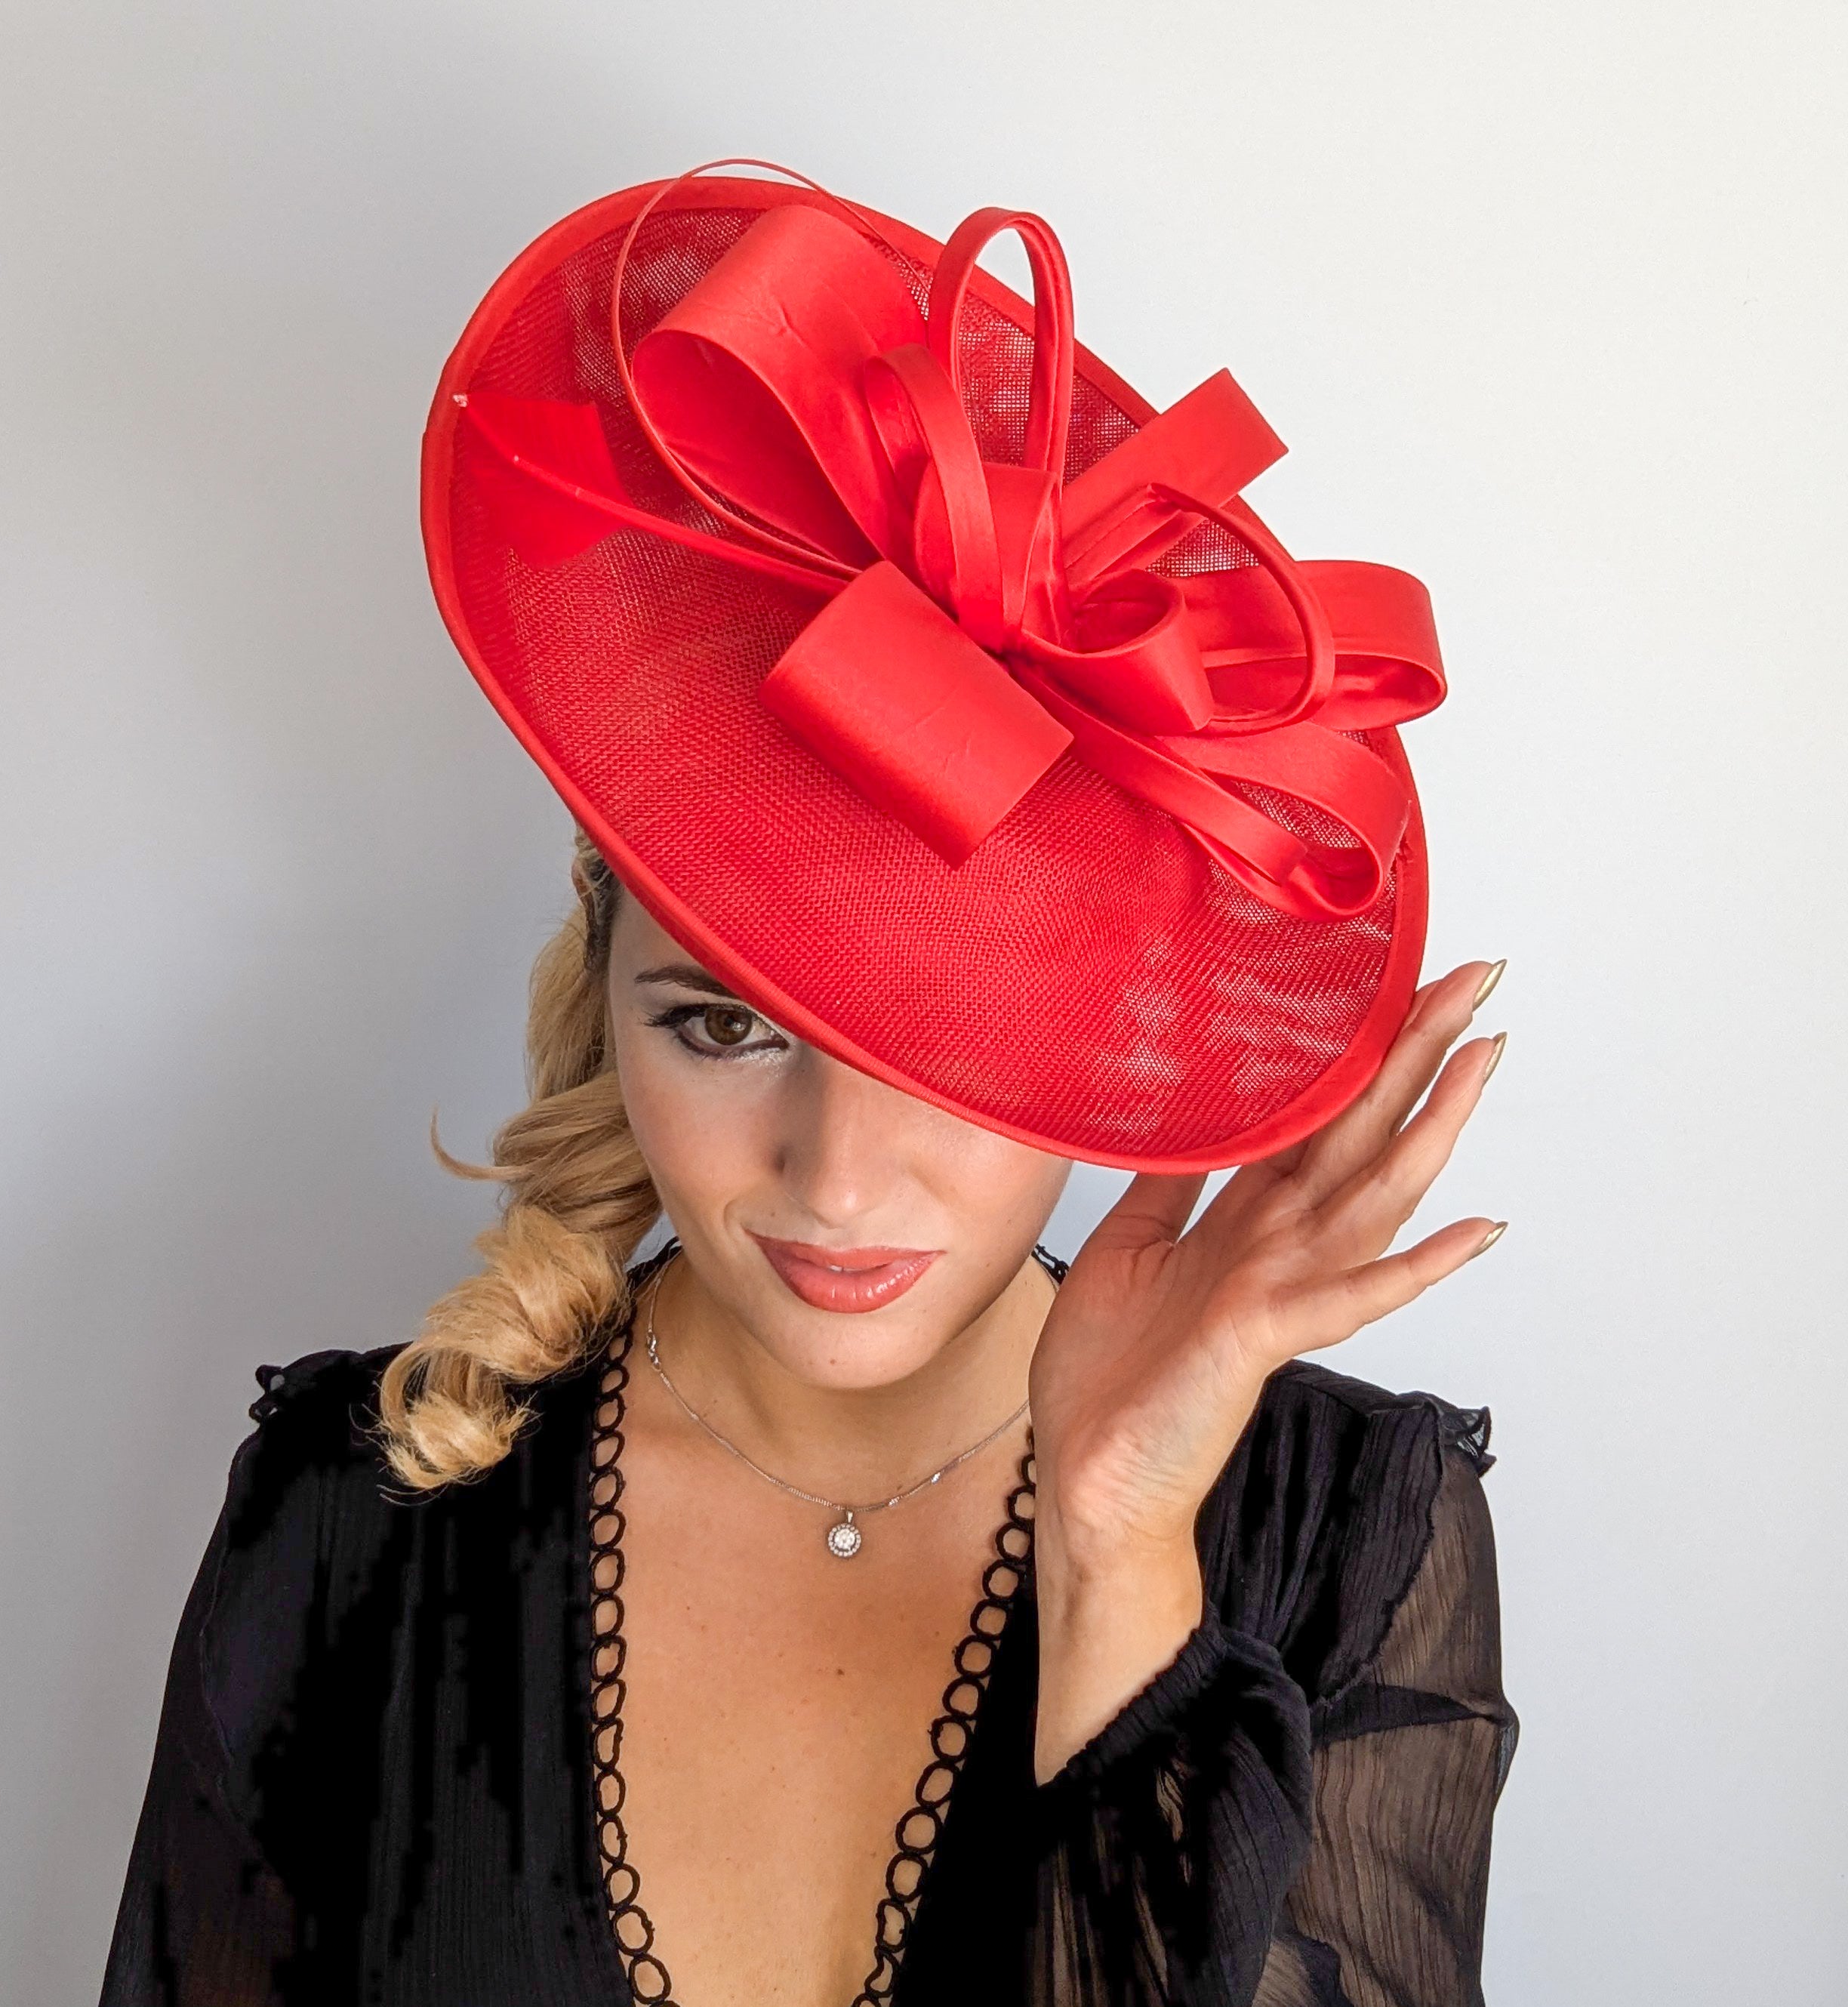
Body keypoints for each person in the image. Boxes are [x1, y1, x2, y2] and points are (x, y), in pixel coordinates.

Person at [101, 165, 1519, 2007]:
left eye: (945, 1048)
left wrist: (1115, 1558)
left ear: (1102, 1047)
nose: (836, 1181)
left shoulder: (1339, 1533)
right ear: (601, 995)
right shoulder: (352, 1514)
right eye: (725, 1028)